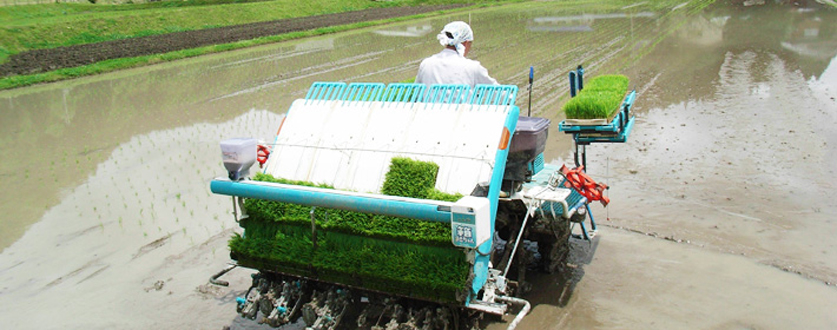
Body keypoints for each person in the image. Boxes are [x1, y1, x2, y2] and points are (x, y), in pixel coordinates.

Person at [415, 21, 498, 88]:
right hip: (463, 109)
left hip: (430, 109)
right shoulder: (472, 67)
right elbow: (498, 93)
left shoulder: (426, 64)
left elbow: (417, 92)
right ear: (466, 43)